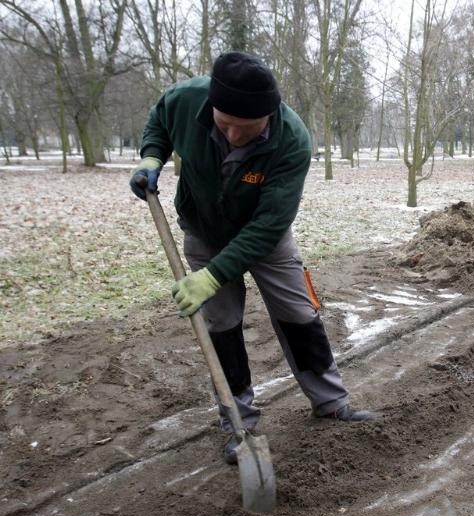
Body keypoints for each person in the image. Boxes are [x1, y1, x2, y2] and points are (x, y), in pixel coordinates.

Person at [130, 51, 372, 464]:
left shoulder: (292, 141)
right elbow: (160, 119)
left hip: (266, 236)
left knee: (299, 312)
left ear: (269, 115)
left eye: (247, 129)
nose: (234, 136)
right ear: (212, 108)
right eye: (225, 125)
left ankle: (331, 401)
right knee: (221, 325)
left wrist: (211, 277)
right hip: (205, 230)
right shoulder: (187, 99)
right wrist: (153, 156)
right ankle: (237, 422)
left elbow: (268, 226)